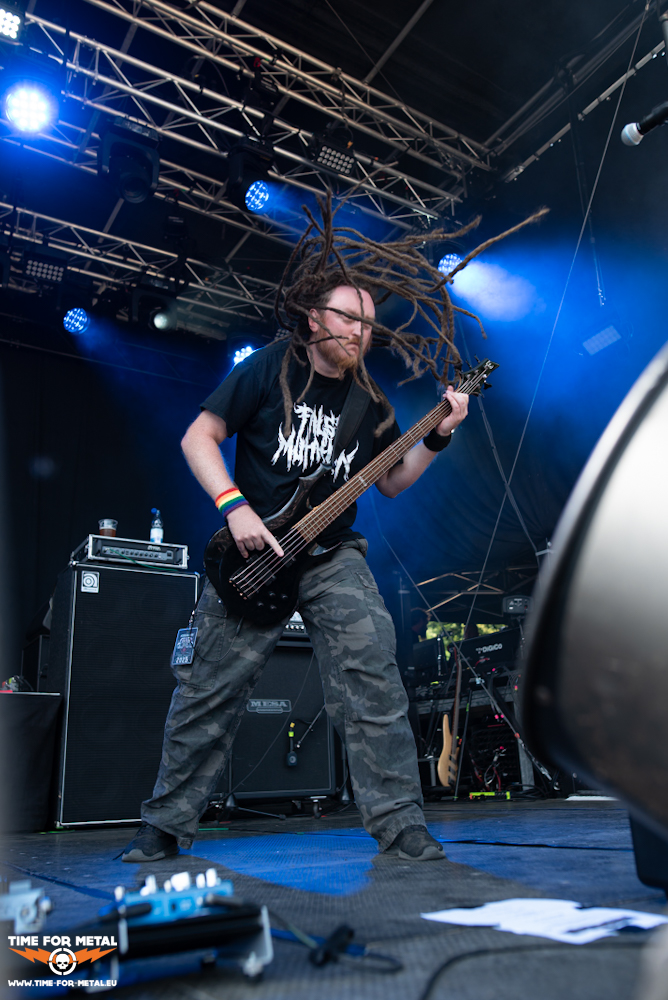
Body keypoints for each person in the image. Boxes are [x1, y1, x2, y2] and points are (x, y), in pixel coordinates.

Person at [121, 196, 542, 865]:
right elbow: (199, 436)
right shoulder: (268, 366)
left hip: (330, 554)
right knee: (208, 691)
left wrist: (438, 436)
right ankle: (164, 825)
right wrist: (235, 506)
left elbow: (394, 481)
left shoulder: (370, 402)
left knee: (374, 672)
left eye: (368, 324)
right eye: (348, 317)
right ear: (314, 318)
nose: (359, 332)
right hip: (254, 552)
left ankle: (401, 823)